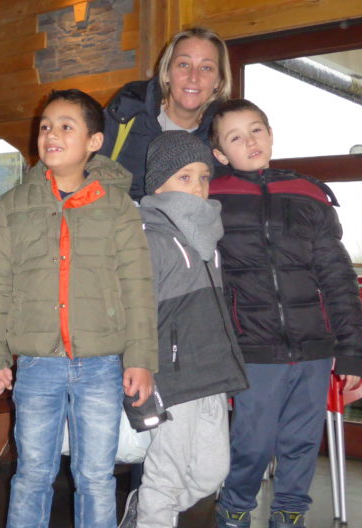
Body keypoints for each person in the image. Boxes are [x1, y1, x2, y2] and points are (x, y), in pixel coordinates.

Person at [0, 89, 159, 528]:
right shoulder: (14, 206)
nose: (51, 134)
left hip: (102, 365)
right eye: (45, 126)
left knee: (95, 477)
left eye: (65, 126)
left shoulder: (117, 206)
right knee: (32, 474)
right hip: (37, 364)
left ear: (95, 141)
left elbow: (137, 286)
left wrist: (141, 359)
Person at [208, 99, 362, 528]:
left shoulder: (308, 193)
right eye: (235, 137)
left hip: (314, 346)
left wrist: (352, 350)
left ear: (271, 134)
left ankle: (290, 514)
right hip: (254, 348)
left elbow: (338, 276)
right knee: (252, 442)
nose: (250, 141)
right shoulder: (213, 198)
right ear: (221, 154)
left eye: (256, 130)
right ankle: (234, 509)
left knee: (301, 442)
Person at [117, 131, 248, 528]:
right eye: (184, 177)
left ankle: (144, 509)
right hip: (171, 376)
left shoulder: (209, 236)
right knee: (167, 473)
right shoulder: (148, 238)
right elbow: (131, 311)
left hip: (211, 373)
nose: (197, 187)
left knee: (212, 472)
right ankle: (152, 516)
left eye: (204, 177)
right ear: (158, 184)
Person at [100, 27, 232, 200]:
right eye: (184, 64)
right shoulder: (126, 114)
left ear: (219, 81)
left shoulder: (224, 137)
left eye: (206, 68)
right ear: (167, 73)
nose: (193, 77)